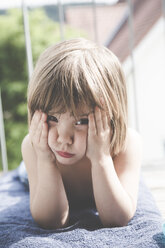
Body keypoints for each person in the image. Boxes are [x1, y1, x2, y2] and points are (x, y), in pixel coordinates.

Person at [21, 38, 142, 230]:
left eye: (81, 121)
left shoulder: (127, 144)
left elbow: (117, 219)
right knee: (22, 176)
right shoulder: (34, 147)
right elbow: (51, 221)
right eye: (52, 117)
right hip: (33, 170)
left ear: (110, 117)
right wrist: (45, 160)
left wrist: (101, 158)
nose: (63, 138)